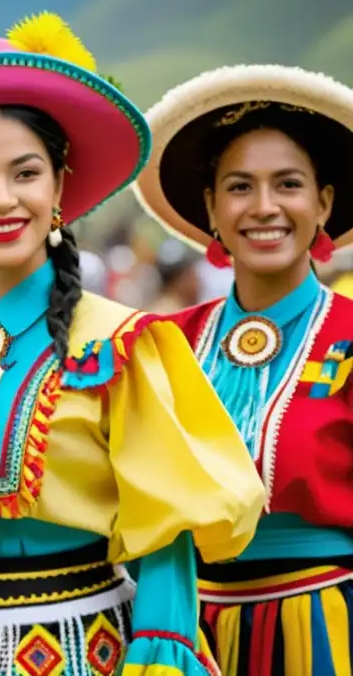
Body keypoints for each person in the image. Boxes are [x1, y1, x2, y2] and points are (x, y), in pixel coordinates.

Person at [0, 12, 266, 675]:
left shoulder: (123, 345)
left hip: (86, 649)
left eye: (26, 173)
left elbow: (165, 543)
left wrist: (158, 658)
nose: (3, 199)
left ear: (59, 185)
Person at [135, 64, 353, 675]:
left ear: (323, 202)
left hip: (329, 627)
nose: (264, 208)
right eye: (238, 187)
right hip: (181, 633)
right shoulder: (164, 344)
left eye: (287, 185)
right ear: (210, 207)